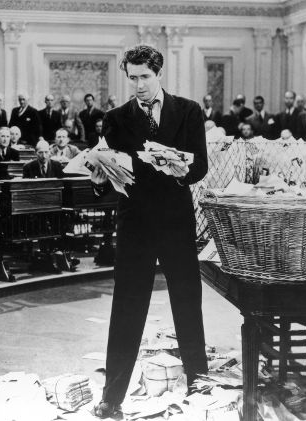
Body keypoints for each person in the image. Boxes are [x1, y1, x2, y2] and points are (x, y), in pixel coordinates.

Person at [90, 45, 208, 418]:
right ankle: (112, 396)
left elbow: (201, 165)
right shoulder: (115, 118)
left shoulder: (188, 111)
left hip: (175, 221)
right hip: (135, 224)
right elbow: (109, 171)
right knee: (126, 308)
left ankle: (200, 384)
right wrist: (99, 179)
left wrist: (183, 170)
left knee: (187, 303)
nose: (139, 85)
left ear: (158, 73)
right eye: (133, 78)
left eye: (145, 77)